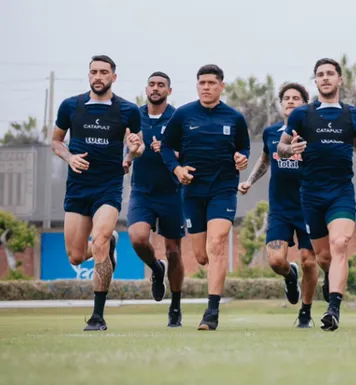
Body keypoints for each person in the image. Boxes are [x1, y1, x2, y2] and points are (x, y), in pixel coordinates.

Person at [277, 58, 356, 331]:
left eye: (330, 74)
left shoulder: (353, 114)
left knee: (340, 244)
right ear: (315, 81)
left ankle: (333, 309)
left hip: (341, 193)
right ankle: (331, 280)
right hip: (311, 195)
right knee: (323, 257)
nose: (325, 78)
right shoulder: (301, 114)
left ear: (340, 80)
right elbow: (281, 147)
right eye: (320, 75)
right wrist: (290, 150)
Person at [50, 55, 143, 331]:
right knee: (76, 256)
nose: (98, 76)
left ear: (114, 76)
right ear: (88, 75)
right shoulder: (71, 106)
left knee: (99, 239)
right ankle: (110, 242)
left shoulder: (128, 110)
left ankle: (98, 316)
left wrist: (133, 152)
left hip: (109, 185)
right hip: (78, 188)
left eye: (104, 72)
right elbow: (55, 141)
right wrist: (69, 157)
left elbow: (137, 146)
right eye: (93, 72)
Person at [161, 64, 250, 331]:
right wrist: (177, 169)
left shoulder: (234, 118)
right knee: (201, 255)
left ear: (222, 86)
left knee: (217, 243)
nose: (206, 87)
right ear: (197, 85)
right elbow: (166, 147)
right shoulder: (183, 114)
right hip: (192, 192)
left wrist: (241, 157)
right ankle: (215, 270)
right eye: (202, 82)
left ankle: (211, 312)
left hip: (223, 189)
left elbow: (243, 147)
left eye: (212, 83)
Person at [238, 82, 319, 328]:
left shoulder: (316, 132)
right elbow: (265, 160)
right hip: (281, 208)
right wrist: (249, 181)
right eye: (286, 98)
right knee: (275, 261)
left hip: (310, 205)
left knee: (309, 260)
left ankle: (305, 313)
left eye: (296, 98)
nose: (290, 101)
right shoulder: (271, 133)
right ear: (280, 104)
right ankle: (289, 275)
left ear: (305, 104)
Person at [126, 72, 185, 327]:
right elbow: (125, 147)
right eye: (152, 84)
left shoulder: (177, 118)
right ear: (146, 88)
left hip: (172, 192)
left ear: (169, 91)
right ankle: (155, 268)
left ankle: (175, 307)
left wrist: (171, 150)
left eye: (161, 85)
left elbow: (188, 152)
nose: (156, 88)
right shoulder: (133, 116)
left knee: (173, 252)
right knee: (138, 238)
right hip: (142, 191)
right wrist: (127, 158)